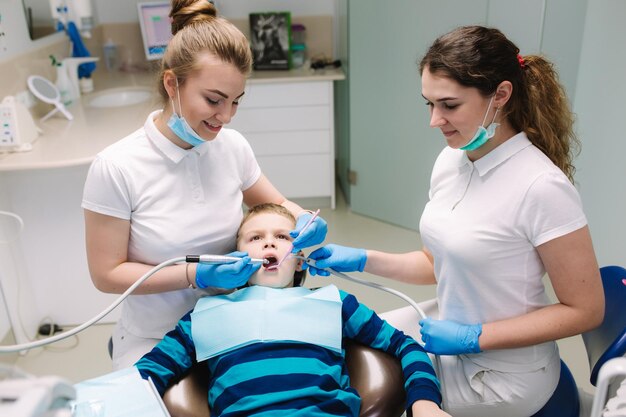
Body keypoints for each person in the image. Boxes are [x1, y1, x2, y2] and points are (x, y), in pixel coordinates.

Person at [307, 25, 605, 417]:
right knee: (342, 351)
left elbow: (585, 310)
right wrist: (362, 258)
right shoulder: (453, 159)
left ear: (500, 95)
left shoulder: (541, 187)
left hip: (504, 373)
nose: (434, 120)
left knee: (367, 399)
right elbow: (437, 263)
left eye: (449, 105)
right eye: (428, 104)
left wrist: (476, 337)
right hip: (448, 330)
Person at [81, 0, 327, 371]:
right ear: (171, 83)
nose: (225, 117)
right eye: (213, 100)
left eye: (235, 102)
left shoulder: (231, 147)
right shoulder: (116, 167)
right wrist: (192, 275)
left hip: (231, 324)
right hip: (155, 336)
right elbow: (107, 275)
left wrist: (305, 219)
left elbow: (275, 202)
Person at [135, 203, 450, 417]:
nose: (269, 244)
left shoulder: (333, 302)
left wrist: (425, 403)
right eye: (255, 238)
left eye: (282, 237)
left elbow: (404, 345)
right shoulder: (205, 314)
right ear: (234, 258)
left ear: (300, 259)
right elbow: (148, 374)